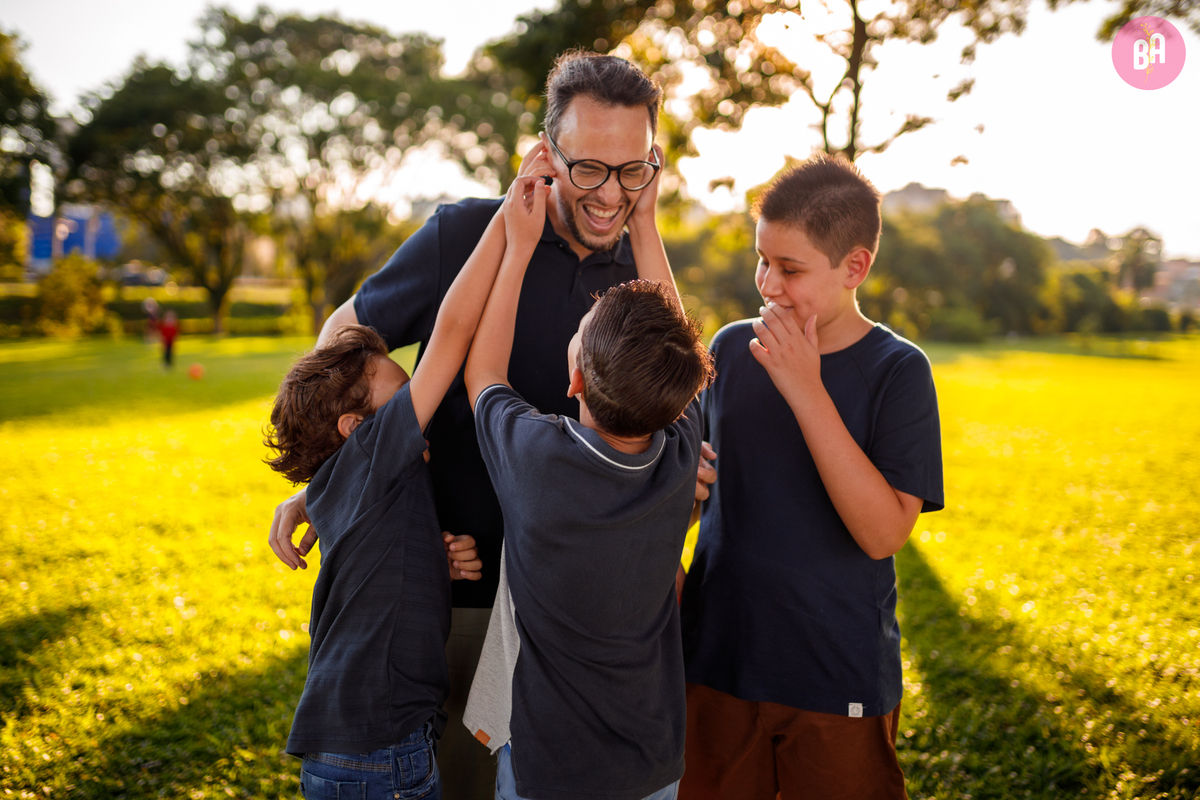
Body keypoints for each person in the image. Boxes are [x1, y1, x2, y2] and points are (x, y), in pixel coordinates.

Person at [267, 50, 716, 796]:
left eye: (633, 169)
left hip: (578, 624)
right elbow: (342, 341)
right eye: (590, 169)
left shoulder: (641, 279)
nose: (612, 194)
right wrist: (347, 491)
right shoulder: (468, 236)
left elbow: (674, 406)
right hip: (456, 603)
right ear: (546, 154)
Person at [677, 154, 945, 800]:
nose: (768, 284)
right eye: (762, 260)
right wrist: (684, 493)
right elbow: (697, 495)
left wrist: (806, 389)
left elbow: (883, 532)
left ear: (855, 267)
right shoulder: (732, 351)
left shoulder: (897, 372)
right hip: (718, 662)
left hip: (833, 676)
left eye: (790, 269)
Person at [460, 137, 712, 800]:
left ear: (573, 378)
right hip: (652, 768)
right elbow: (674, 348)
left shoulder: (539, 460)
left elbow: (483, 373)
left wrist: (516, 250)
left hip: (550, 774)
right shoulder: (679, 451)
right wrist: (646, 222)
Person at [262, 185, 532, 796]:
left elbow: (380, 573)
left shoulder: (346, 485)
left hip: (353, 745)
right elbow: (453, 333)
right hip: (380, 752)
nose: (421, 412)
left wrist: (436, 563)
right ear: (357, 431)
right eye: (403, 399)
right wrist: (507, 230)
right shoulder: (374, 454)